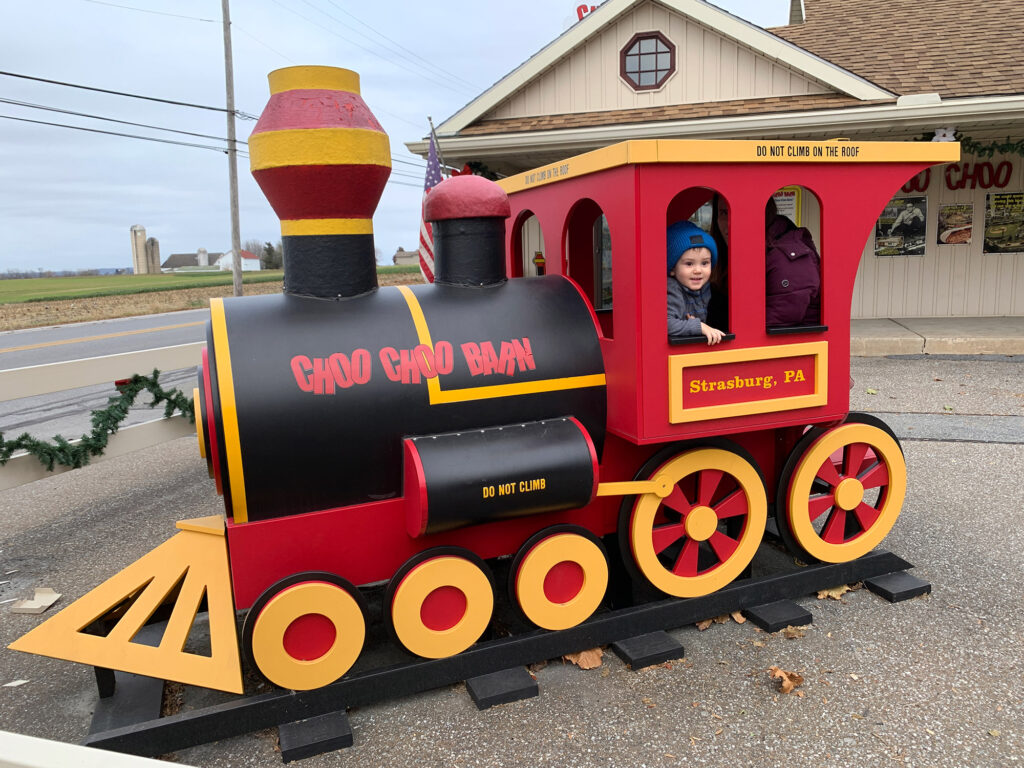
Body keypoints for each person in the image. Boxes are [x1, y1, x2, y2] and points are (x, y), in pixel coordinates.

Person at [765, 198, 821, 327]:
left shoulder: (788, 257)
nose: (727, 221)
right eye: (723, 213)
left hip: (795, 343)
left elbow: (782, 316)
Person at [666, 220, 725, 345]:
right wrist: (699, 327)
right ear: (672, 269)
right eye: (689, 264)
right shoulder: (672, 289)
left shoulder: (709, 289)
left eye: (704, 263)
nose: (698, 270)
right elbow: (665, 324)